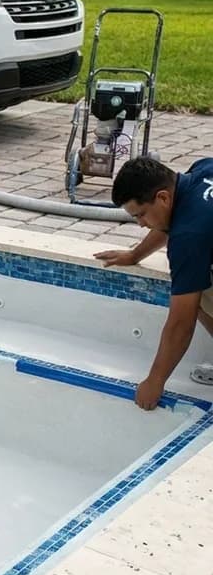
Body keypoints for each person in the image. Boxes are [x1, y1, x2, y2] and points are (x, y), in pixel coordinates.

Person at [94, 155, 213, 409]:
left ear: (162, 198)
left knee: (194, 287)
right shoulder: (204, 169)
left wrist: (155, 381)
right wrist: (134, 255)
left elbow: (181, 323)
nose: (141, 224)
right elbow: (174, 220)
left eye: (141, 215)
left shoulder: (188, 237)